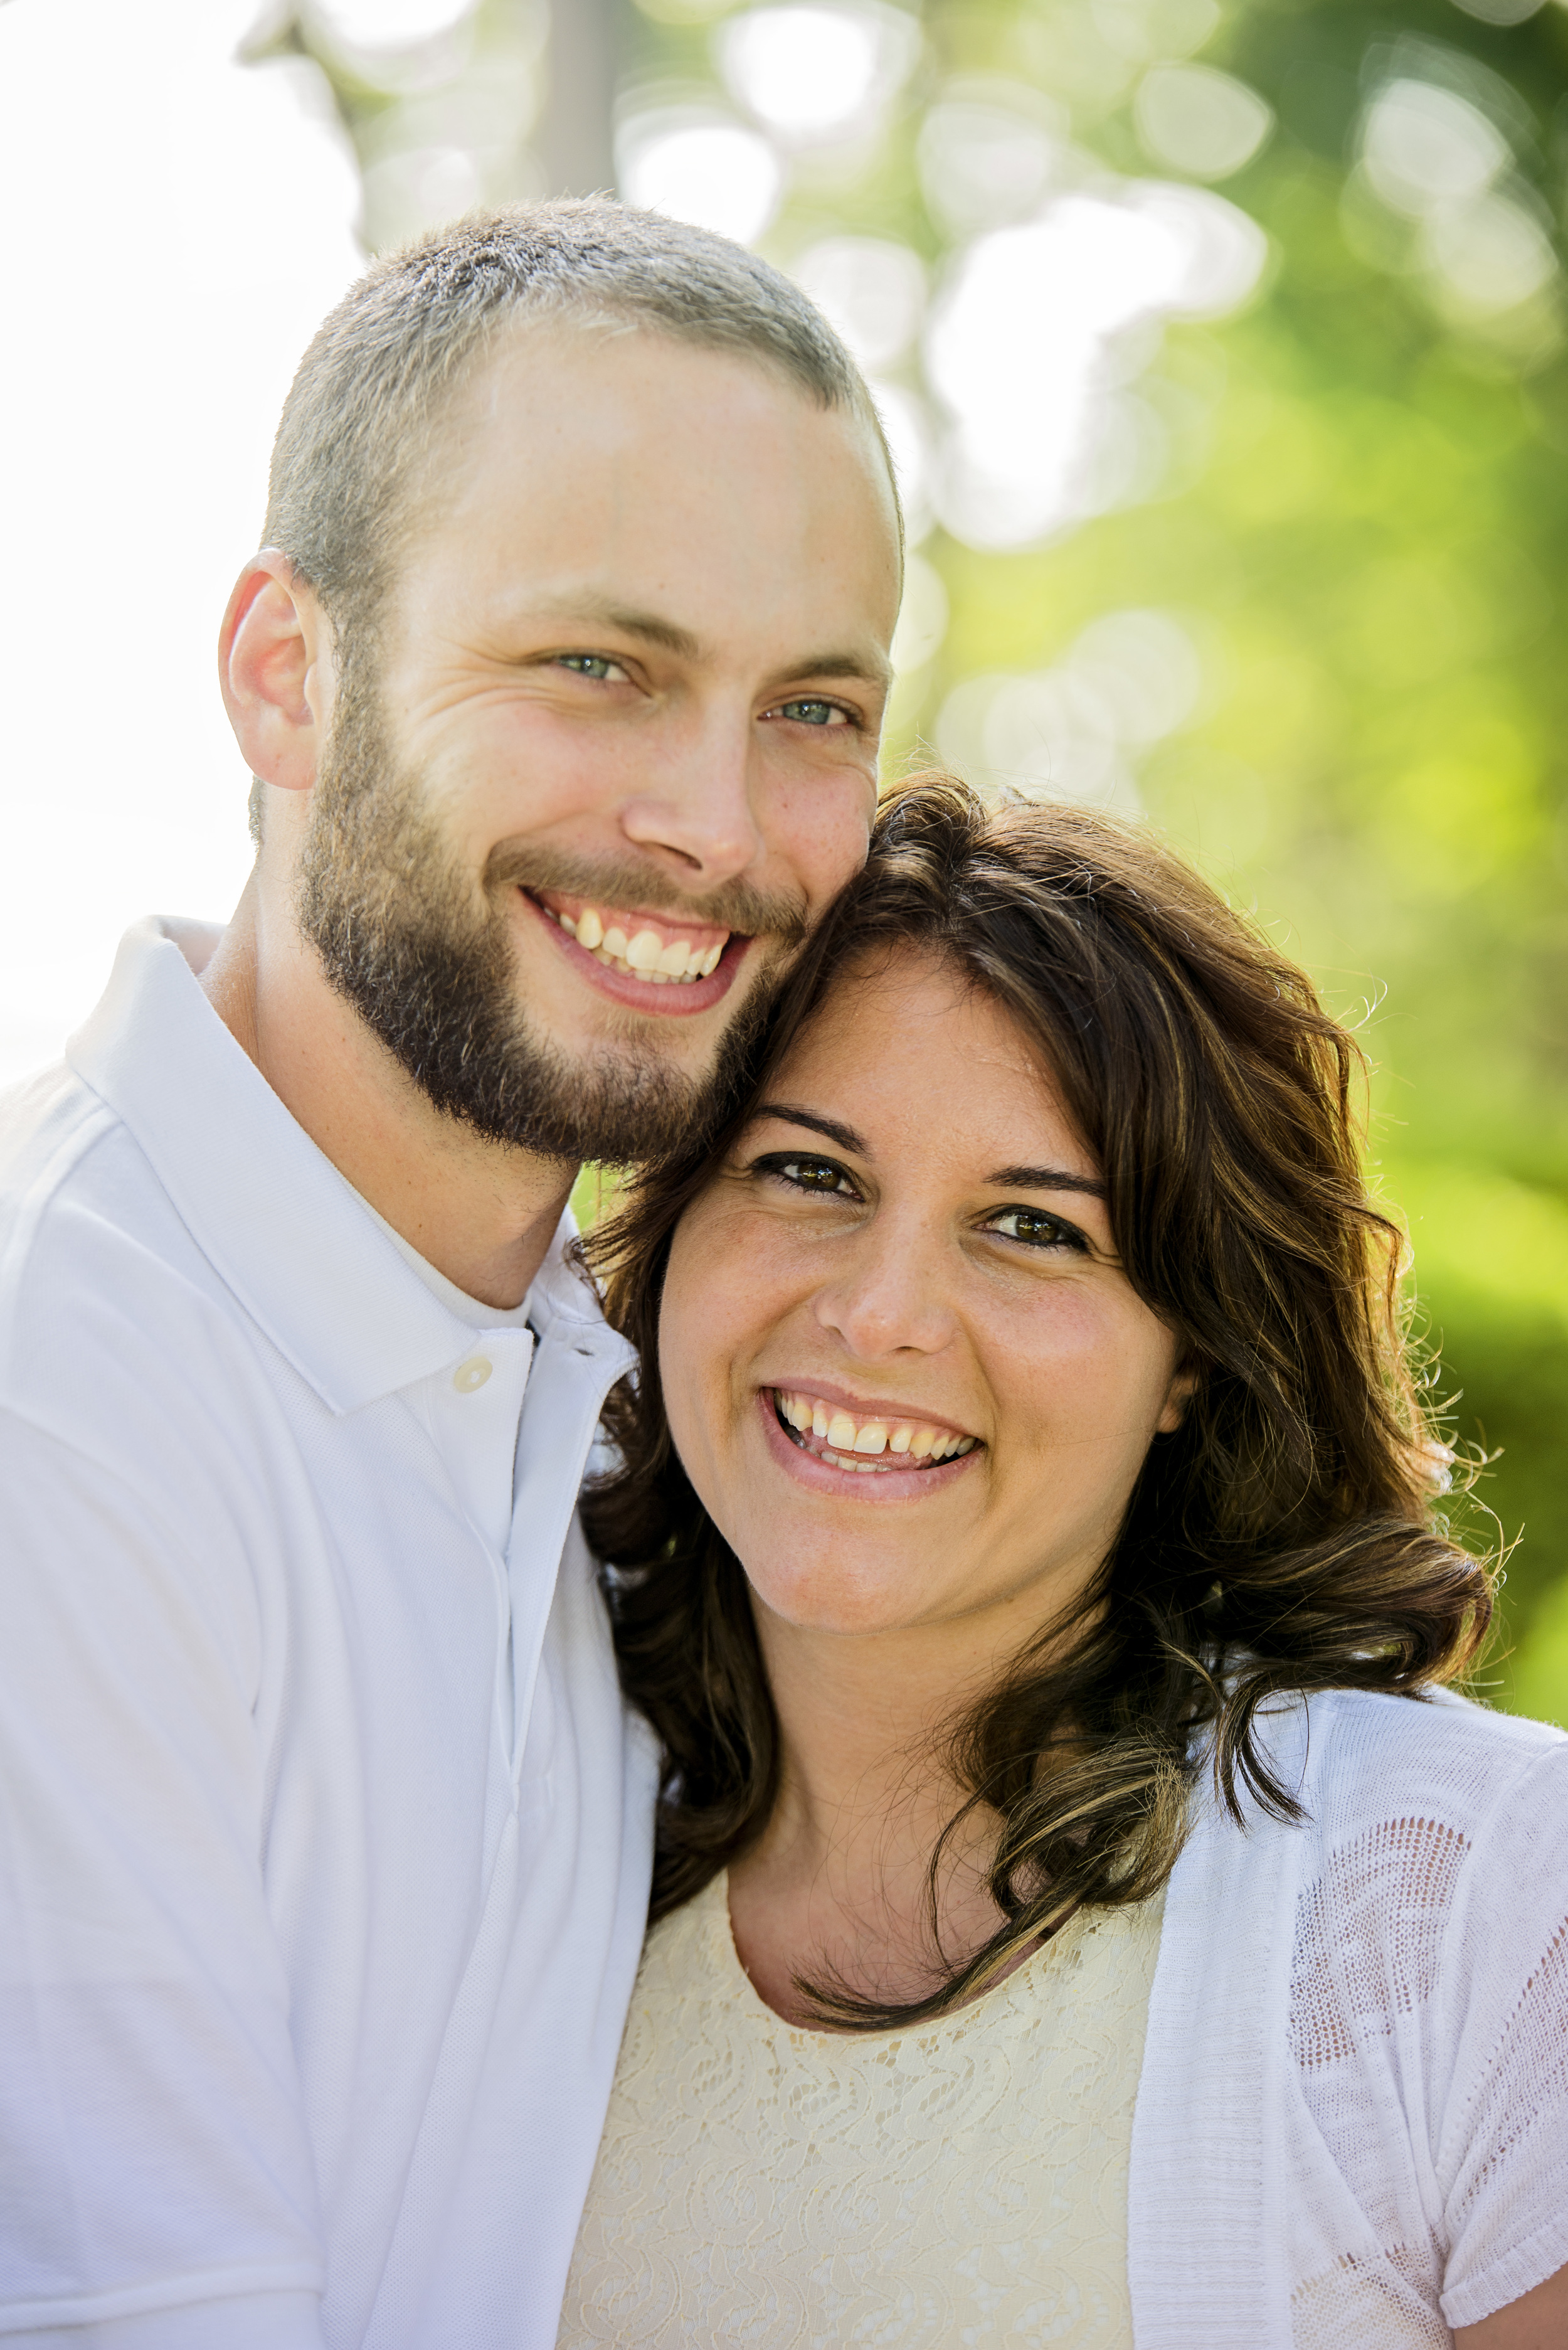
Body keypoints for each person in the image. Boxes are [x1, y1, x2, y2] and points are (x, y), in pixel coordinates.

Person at [0, 202, 900, 2349]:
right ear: (285, 675)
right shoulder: (67, 1391)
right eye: (603, 665)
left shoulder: (634, 1403)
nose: (715, 822)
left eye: (813, 706)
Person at [558, 778, 1568, 2350]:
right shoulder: (497, 1858)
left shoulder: (1474, 1908)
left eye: (1033, 1227)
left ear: (1189, 1357)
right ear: (670, 1221)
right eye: (808, 1173)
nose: (882, 1314)